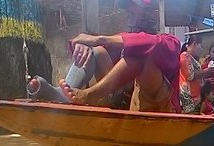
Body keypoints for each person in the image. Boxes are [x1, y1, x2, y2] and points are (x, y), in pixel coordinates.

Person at [26, 0, 182, 113]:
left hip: (161, 108)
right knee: (97, 51)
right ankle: (62, 97)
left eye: (135, 10)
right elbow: (92, 47)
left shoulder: (170, 41)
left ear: (153, 14)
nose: (131, 14)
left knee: (140, 54)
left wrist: (99, 38)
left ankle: (89, 96)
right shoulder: (122, 43)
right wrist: (84, 45)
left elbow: (149, 43)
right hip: (124, 104)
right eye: (130, 10)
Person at [179, 35, 214, 113]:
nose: (201, 49)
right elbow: (190, 75)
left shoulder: (191, 58)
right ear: (194, 44)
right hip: (190, 98)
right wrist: (206, 72)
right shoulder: (185, 56)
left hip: (196, 98)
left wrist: (205, 79)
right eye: (200, 46)